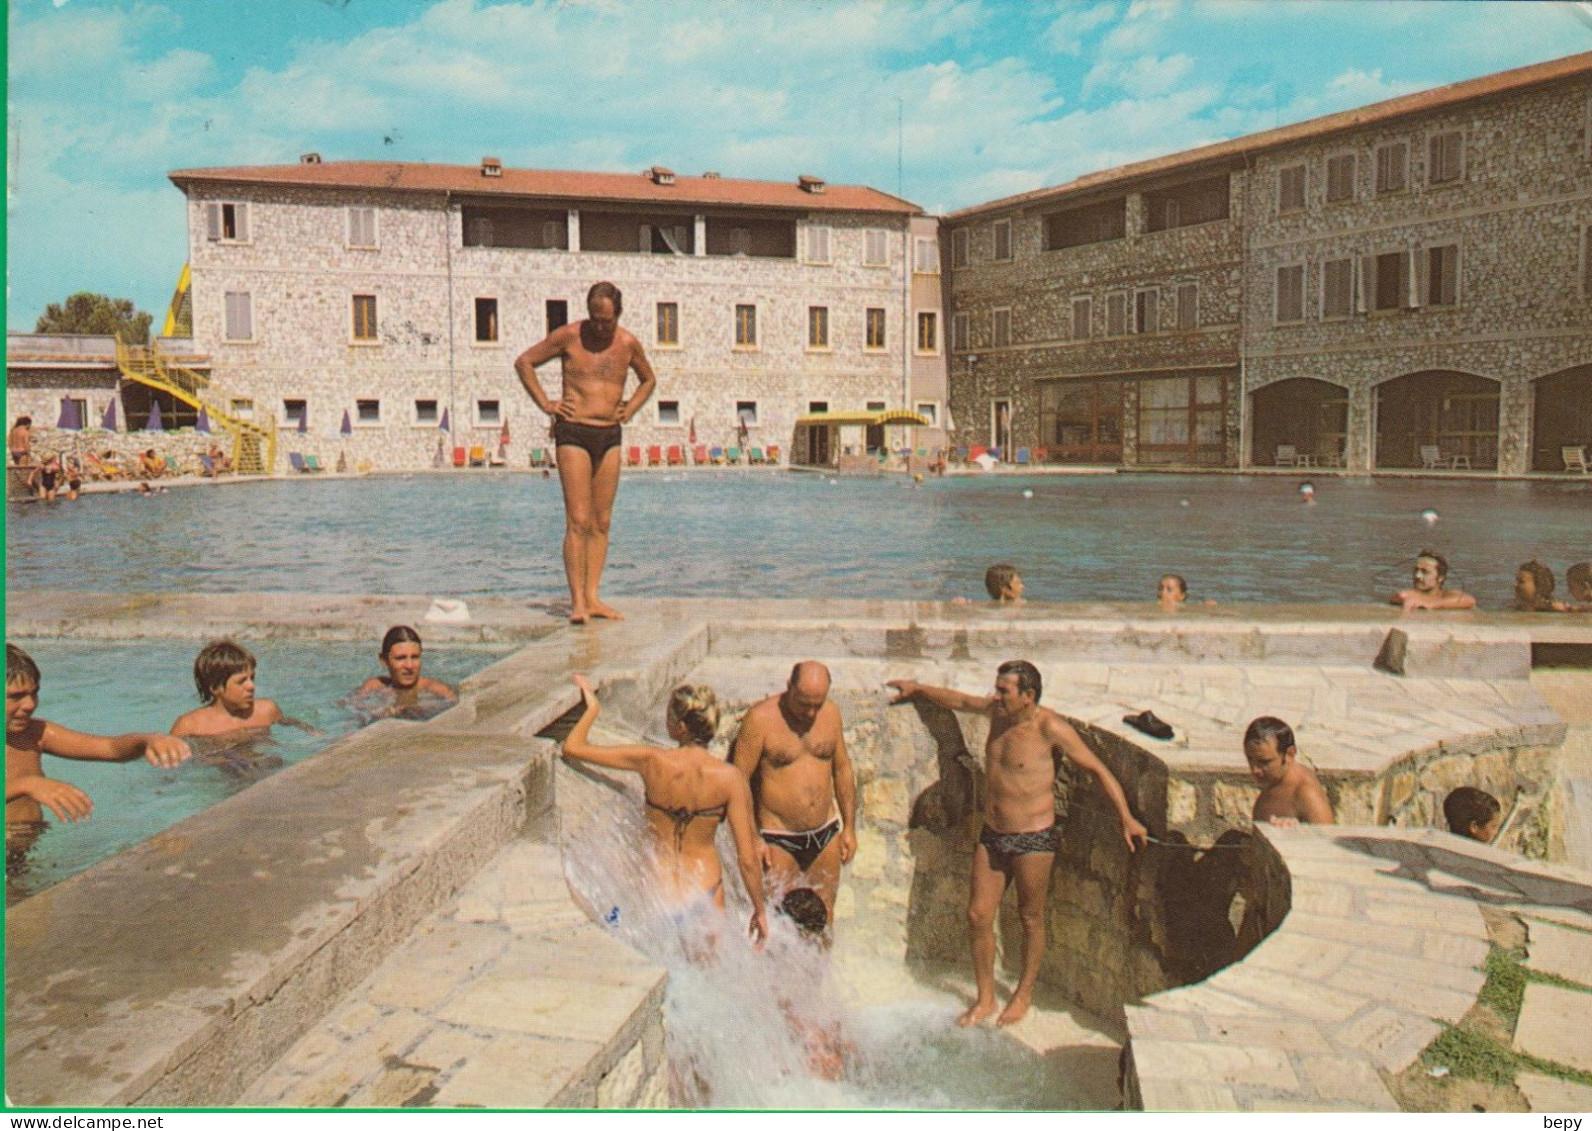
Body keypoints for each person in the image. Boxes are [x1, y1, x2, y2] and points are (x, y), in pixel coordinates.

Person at [886, 661, 1148, 1027]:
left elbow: (1098, 769)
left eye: (1004, 690)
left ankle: (1023, 994)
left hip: (1034, 837)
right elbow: (959, 701)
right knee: (978, 914)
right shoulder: (996, 712)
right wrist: (917, 689)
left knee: (1030, 917)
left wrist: (1127, 818)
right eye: (996, 688)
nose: (995, 696)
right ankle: (986, 998)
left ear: (1028, 697)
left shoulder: (1049, 727)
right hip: (993, 834)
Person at [562, 674, 768, 947]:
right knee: (702, 979)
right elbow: (748, 859)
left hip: (657, 890)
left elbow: (573, 747)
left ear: (680, 727)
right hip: (704, 888)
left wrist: (593, 709)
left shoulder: (650, 761)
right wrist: (759, 909)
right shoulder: (730, 779)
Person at [513, 281, 658, 625]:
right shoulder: (569, 336)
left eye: (607, 320)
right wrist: (546, 403)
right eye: (595, 319)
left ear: (618, 315)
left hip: (610, 433)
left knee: (601, 521)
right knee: (578, 520)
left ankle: (593, 597)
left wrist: (632, 407)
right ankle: (576, 600)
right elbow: (525, 362)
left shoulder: (627, 343)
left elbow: (649, 379)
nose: (600, 326)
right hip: (574, 431)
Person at [6, 643, 191, 870]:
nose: (29, 704)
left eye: (34, 693)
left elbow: (110, 748)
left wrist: (147, 740)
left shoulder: (35, 734)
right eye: (15, 697)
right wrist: (26, 785)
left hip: (21, 853)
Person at [731, 662, 857, 923]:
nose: (811, 713)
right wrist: (753, 837)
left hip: (825, 833)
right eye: (803, 704)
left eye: (817, 705)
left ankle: (821, 965)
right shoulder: (760, 720)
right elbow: (737, 780)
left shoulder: (831, 714)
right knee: (779, 920)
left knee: (824, 917)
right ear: (789, 687)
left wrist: (849, 827)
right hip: (778, 838)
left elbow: (843, 769)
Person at [1243, 716, 1334, 826]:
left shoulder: (1307, 795)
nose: (1255, 770)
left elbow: (1324, 840)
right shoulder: (1274, 779)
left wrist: (1292, 836)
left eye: (1265, 762)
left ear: (1290, 754)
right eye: (1250, 759)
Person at [353, 626, 458, 719]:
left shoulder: (434, 688)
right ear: (384, 661)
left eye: (415, 657)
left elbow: (453, 705)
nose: (409, 666)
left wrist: (416, 709)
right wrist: (380, 710)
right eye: (401, 658)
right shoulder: (375, 685)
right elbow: (351, 705)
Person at [1390, 549, 1476, 611]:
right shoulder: (1409, 594)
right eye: (1416, 570)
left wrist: (1431, 604)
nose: (1417, 576)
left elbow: (1469, 600)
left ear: (1440, 577)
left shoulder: (1447, 594)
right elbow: (1399, 596)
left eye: (1425, 572)